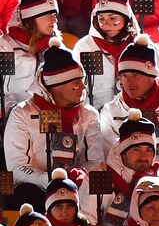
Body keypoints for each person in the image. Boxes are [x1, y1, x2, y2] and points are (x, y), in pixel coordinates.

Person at [4, 37, 103, 203]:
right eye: (75, 83)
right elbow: (16, 169)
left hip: (77, 186)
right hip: (35, 191)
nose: (83, 87)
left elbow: (96, 161)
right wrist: (53, 180)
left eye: (82, 81)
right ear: (56, 85)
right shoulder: (22, 114)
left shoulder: (89, 114)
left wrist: (75, 176)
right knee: (27, 193)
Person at [93, 35, 159, 160]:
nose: (129, 82)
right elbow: (112, 158)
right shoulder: (111, 111)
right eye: (124, 75)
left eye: (135, 75)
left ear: (151, 75)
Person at [72, 0, 139, 110]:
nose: (106, 24)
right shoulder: (85, 46)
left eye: (113, 18)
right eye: (101, 19)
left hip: (131, 115)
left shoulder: (139, 46)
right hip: (93, 113)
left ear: (126, 18)